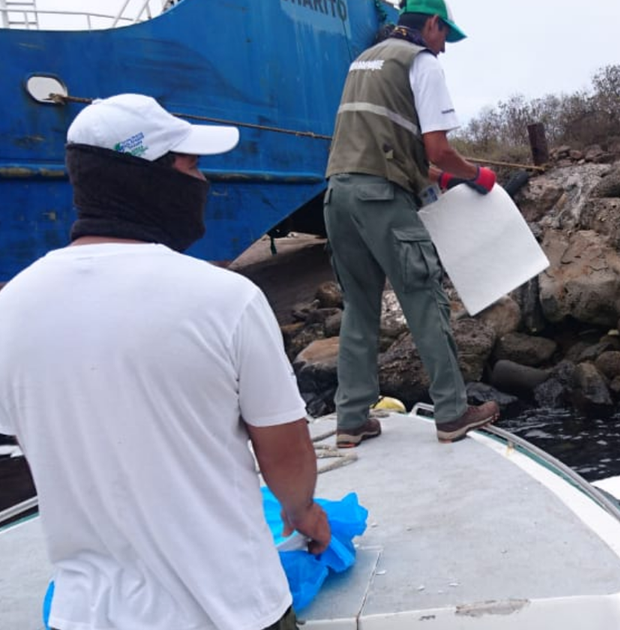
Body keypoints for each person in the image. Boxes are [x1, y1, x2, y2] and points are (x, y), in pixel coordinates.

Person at [0, 94, 330, 630]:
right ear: (145, 177)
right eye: (192, 165)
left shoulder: (10, 308)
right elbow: (285, 452)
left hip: (86, 615)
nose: (202, 182)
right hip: (231, 608)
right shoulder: (224, 299)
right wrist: (303, 512)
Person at [324, 0, 500, 448]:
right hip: (382, 198)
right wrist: (473, 175)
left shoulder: (364, 61)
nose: (444, 50)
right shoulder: (421, 63)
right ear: (432, 25)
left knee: (359, 307)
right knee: (425, 299)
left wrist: (439, 177)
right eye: (445, 38)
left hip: (337, 195)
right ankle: (452, 413)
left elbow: (391, 145)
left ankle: (351, 419)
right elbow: (438, 148)